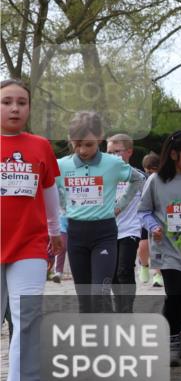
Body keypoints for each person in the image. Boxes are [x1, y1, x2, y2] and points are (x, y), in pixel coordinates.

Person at [1, 79, 63, 381]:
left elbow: (49, 191)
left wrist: (55, 230)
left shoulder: (39, 146)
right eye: (7, 102)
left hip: (29, 244)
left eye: (21, 102)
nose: (14, 108)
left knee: (28, 315)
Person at [56, 111, 143, 314]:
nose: (83, 150)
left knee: (100, 293)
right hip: (76, 234)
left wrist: (120, 206)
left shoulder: (112, 163)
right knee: (85, 300)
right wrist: (64, 205)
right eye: (77, 145)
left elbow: (138, 179)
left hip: (104, 233)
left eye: (89, 144)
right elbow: (49, 187)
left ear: (100, 137)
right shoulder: (62, 165)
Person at [139, 130, 181, 366]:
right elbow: (143, 211)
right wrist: (153, 225)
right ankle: (171, 338)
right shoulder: (156, 180)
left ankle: (172, 328)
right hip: (166, 248)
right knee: (175, 294)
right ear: (174, 153)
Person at [107, 134, 146, 312]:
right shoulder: (103, 176)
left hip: (130, 230)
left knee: (124, 270)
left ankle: (126, 310)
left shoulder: (139, 177)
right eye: (109, 152)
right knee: (113, 274)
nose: (112, 156)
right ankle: (119, 304)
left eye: (117, 152)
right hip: (107, 231)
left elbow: (149, 204)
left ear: (129, 152)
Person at [138, 153, 160, 286]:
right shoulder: (142, 178)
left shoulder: (162, 178)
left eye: (152, 171)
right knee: (144, 245)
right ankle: (144, 265)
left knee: (158, 247)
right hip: (146, 215)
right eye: (148, 171)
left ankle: (158, 274)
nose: (150, 174)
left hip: (159, 215)